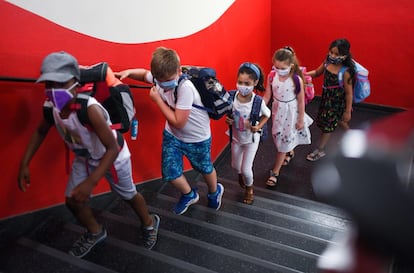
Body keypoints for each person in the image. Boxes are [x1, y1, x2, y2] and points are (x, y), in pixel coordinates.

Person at [17, 51, 160, 258]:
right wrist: (24, 163)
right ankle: (95, 231)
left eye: (60, 83)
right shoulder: (51, 107)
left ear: (75, 81)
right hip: (85, 158)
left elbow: (111, 148)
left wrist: (91, 182)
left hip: (114, 157)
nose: (53, 90)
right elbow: (40, 130)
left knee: (128, 195)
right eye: (48, 84)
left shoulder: (89, 108)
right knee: (72, 200)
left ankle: (149, 222)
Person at [115, 47, 224, 215]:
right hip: (173, 136)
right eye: (160, 81)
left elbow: (179, 122)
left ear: (179, 71)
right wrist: (128, 73)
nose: (164, 84)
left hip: (197, 138)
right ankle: (189, 194)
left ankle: (214, 191)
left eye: (169, 80)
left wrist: (157, 100)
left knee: (204, 168)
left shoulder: (185, 87)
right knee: (170, 173)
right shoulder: (160, 78)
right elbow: (144, 74)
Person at [263, 46, 313, 188]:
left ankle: (275, 172)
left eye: (282, 67)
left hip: (291, 112)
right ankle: (289, 150)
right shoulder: (272, 76)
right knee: (277, 136)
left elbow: (301, 100)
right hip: (277, 111)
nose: (279, 70)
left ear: (291, 65)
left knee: (282, 143)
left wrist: (300, 119)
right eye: (276, 67)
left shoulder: (296, 79)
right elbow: (267, 95)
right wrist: (258, 108)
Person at [225, 62, 270, 204]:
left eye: (247, 83)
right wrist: (228, 120)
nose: (243, 86)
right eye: (240, 82)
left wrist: (258, 127)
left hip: (251, 139)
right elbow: (228, 114)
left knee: (246, 168)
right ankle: (241, 175)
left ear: (255, 83)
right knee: (235, 165)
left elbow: (267, 114)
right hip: (236, 138)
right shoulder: (232, 97)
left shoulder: (257, 101)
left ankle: (249, 189)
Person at [305, 38, 355, 161]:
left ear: (345, 55)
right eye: (331, 52)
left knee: (328, 126)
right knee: (338, 121)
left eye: (337, 54)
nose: (332, 56)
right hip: (326, 99)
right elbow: (317, 72)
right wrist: (304, 74)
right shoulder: (327, 62)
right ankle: (352, 136)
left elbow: (349, 93)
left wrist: (347, 111)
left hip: (337, 102)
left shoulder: (346, 72)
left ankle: (320, 150)